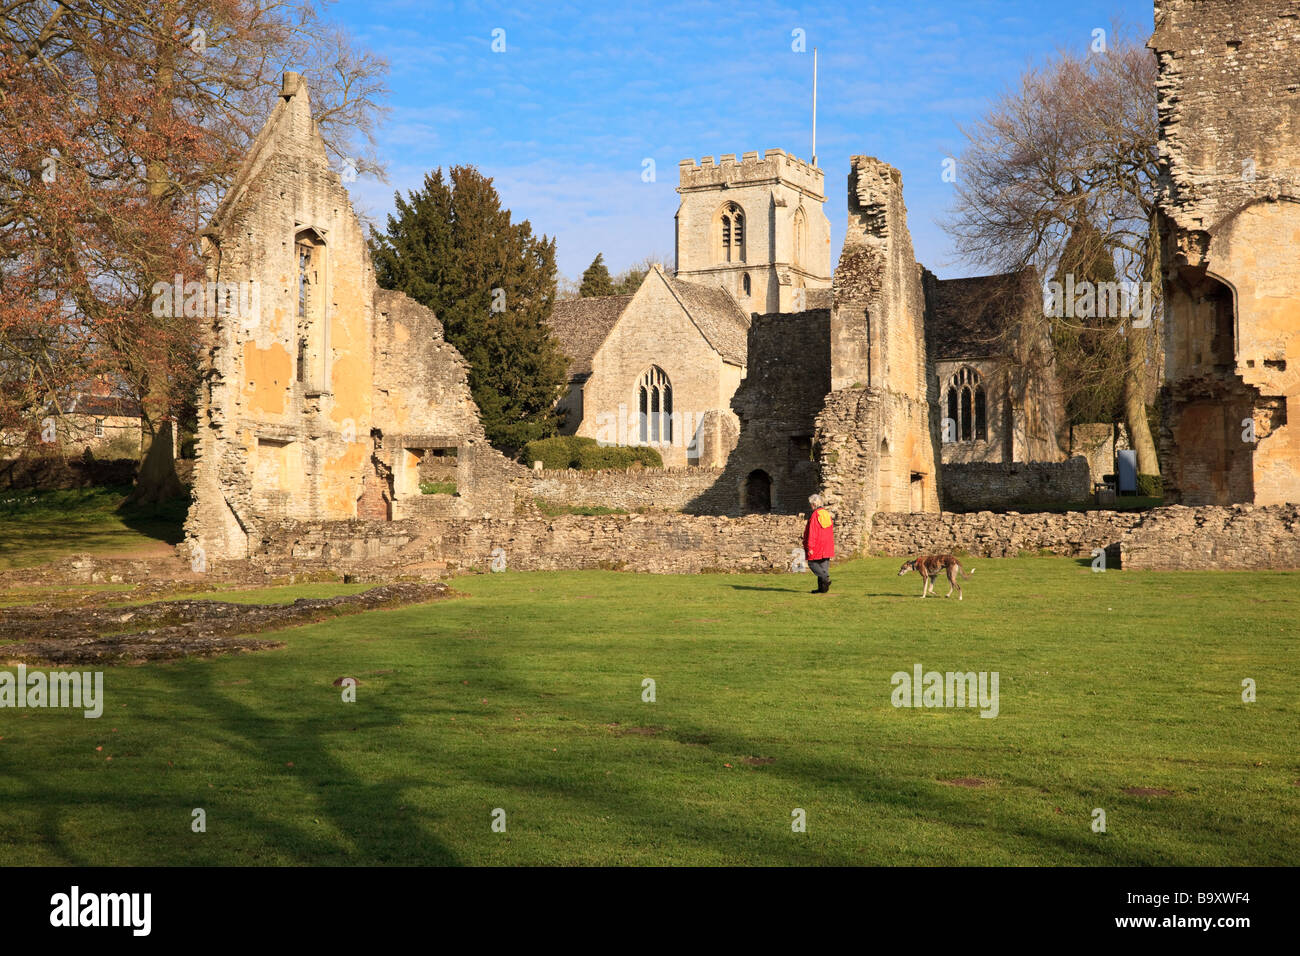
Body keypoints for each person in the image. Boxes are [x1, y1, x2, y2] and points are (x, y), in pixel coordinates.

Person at [802, 494, 834, 594]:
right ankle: (823, 589)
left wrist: (810, 546)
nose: (810, 506)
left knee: (812, 563)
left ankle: (825, 579)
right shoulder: (826, 514)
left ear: (814, 504)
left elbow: (812, 531)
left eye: (811, 504)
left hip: (817, 544)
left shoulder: (815, 515)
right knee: (823, 565)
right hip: (827, 544)